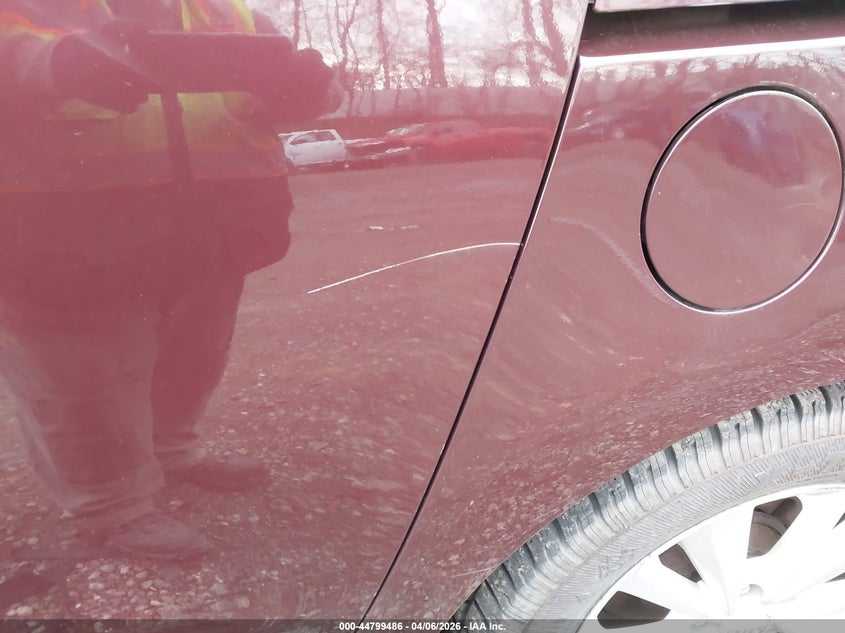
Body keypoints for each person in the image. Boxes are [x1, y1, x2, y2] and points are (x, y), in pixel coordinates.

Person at [0, 0, 337, 559]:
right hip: (62, 229)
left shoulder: (226, 12)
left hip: (212, 226)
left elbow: (292, 93)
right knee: (83, 378)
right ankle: (112, 506)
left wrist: (310, 91)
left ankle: (171, 451)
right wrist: (56, 66)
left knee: (193, 356)